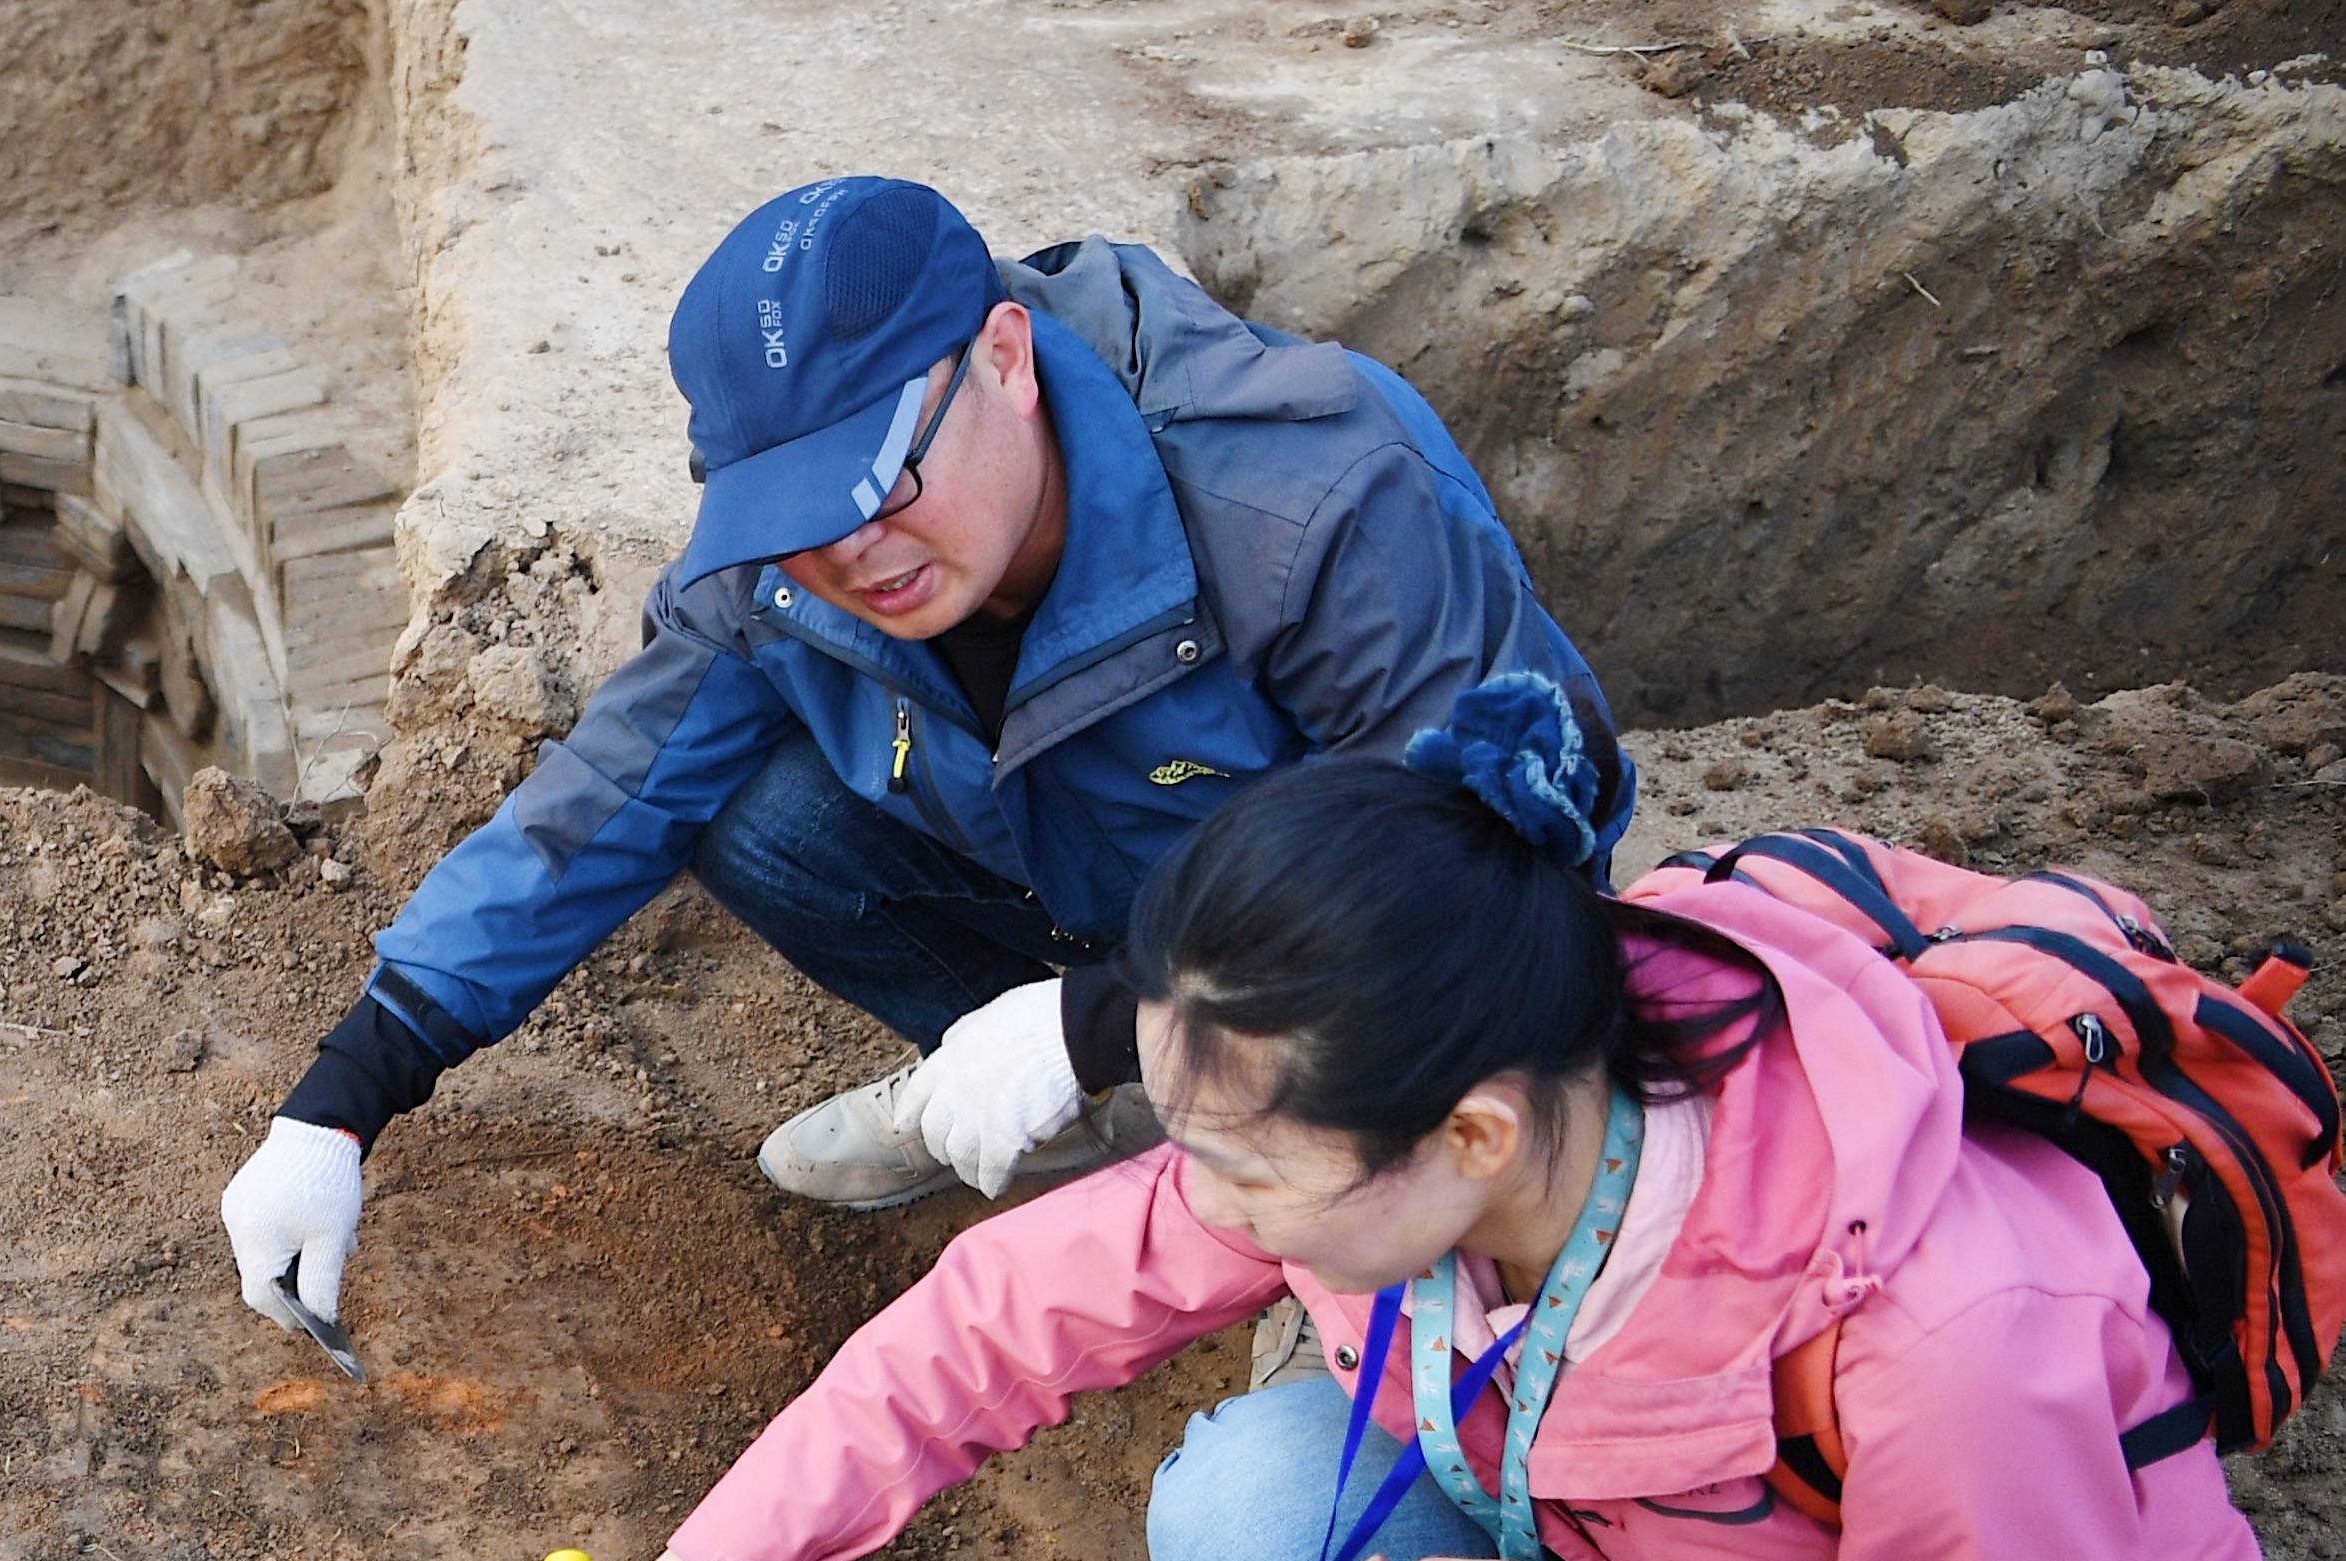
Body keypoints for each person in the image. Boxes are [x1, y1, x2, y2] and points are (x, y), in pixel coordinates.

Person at [498, 681, 2266, 1561]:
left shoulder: (1953, 1351)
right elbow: (1009, 1308)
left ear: (1471, 1137)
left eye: (1248, 1173)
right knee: (1240, 1512)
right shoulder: (1462, 1058)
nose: (1205, 1209)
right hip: (1643, 1557)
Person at [222, 172, 1621, 1342]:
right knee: (748, 808)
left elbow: (1503, 841)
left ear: (1005, 359)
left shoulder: (1306, 496)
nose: (854, 554)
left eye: (881, 480)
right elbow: (598, 805)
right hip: (1104, 895)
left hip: (1359, 950)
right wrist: (342, 1101)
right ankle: (1120, 1129)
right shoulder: (798, 563)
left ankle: (1253, 1148)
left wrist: (1109, 1015)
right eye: (800, 514)